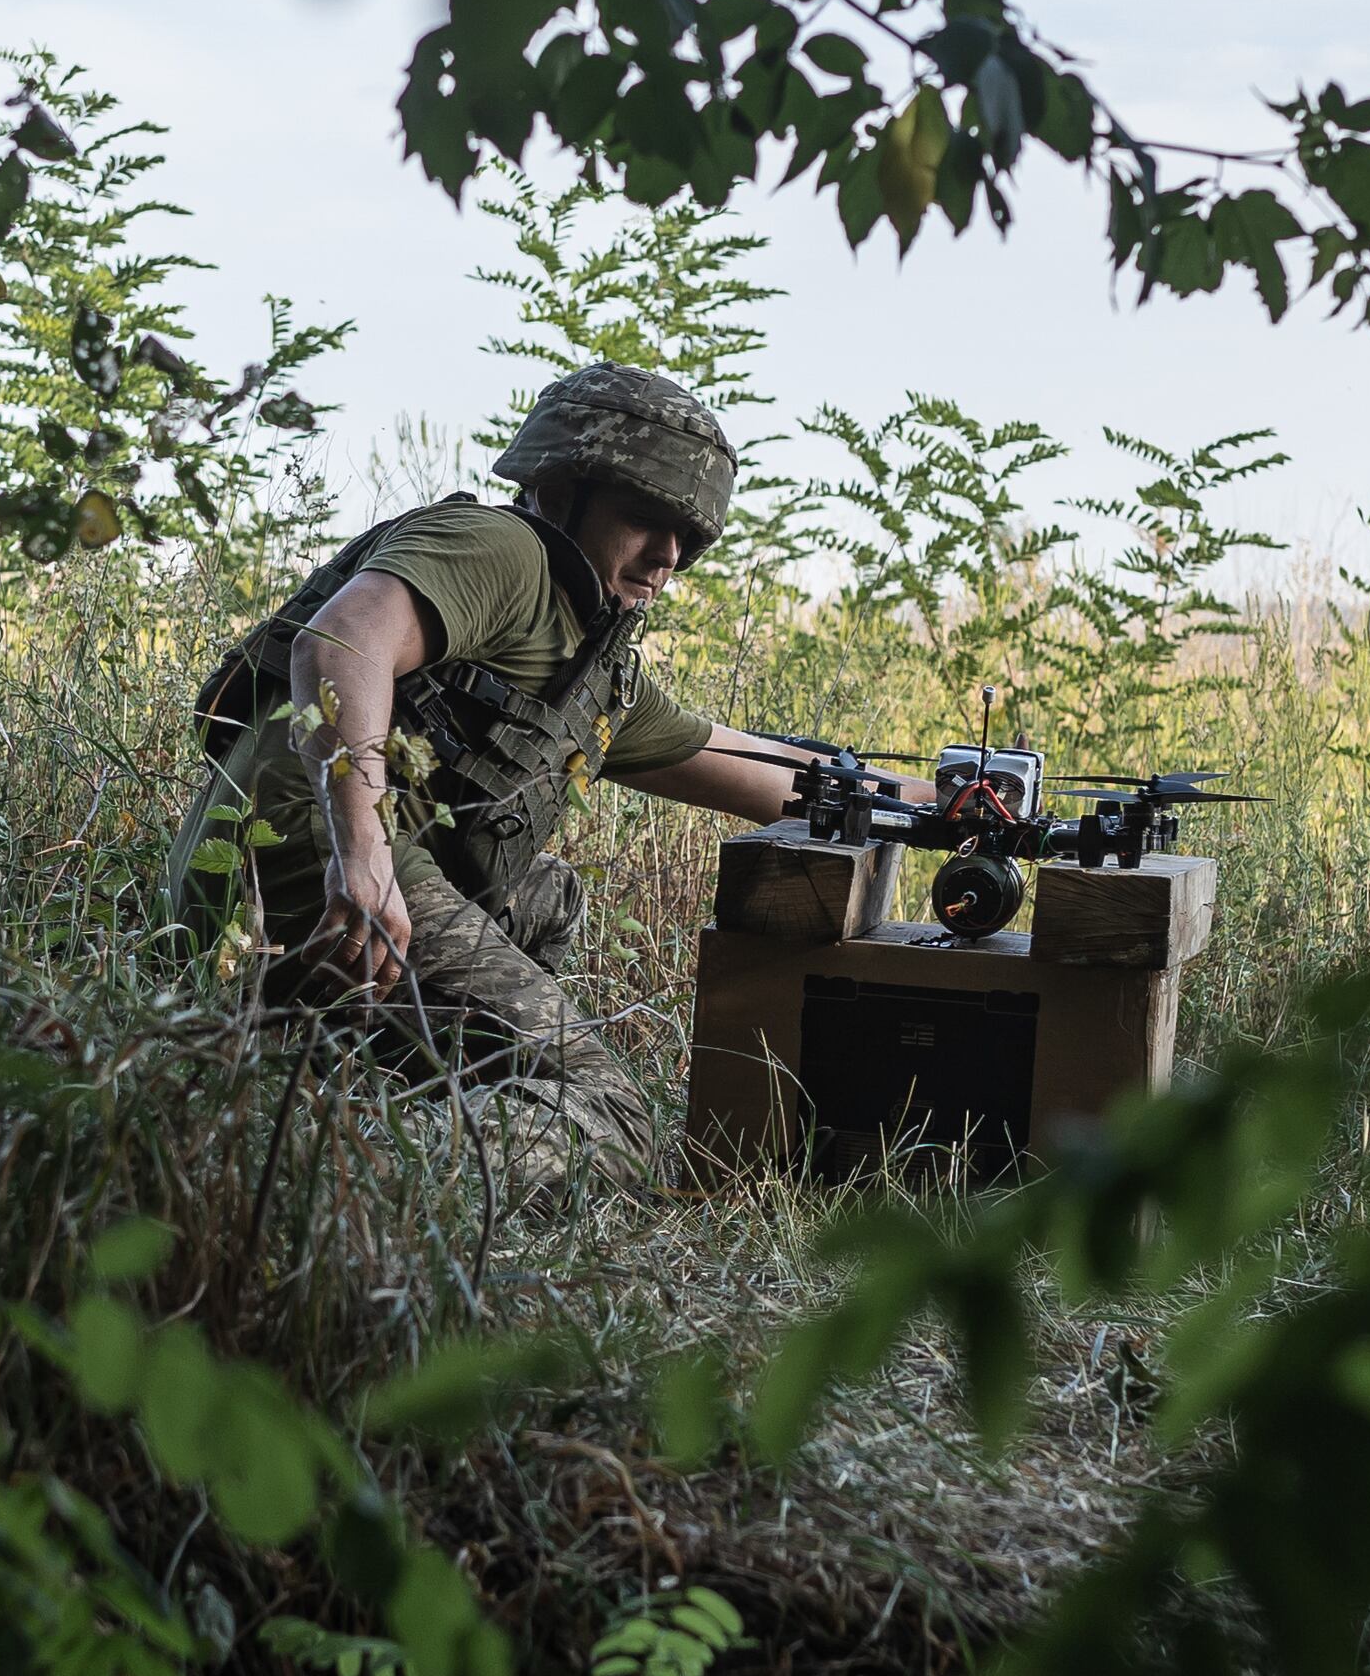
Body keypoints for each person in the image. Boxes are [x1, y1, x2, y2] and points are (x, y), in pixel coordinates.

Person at [180, 363, 863, 1200]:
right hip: (312, 860)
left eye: (688, 534)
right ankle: (312, 1181)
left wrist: (955, 799)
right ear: (562, 486)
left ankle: (376, 1091)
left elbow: (770, 773)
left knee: (549, 894)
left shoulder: (590, 663)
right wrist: (362, 852)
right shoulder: (501, 551)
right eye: (646, 517)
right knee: (613, 1119)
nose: (669, 555)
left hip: (340, 886)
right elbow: (343, 640)